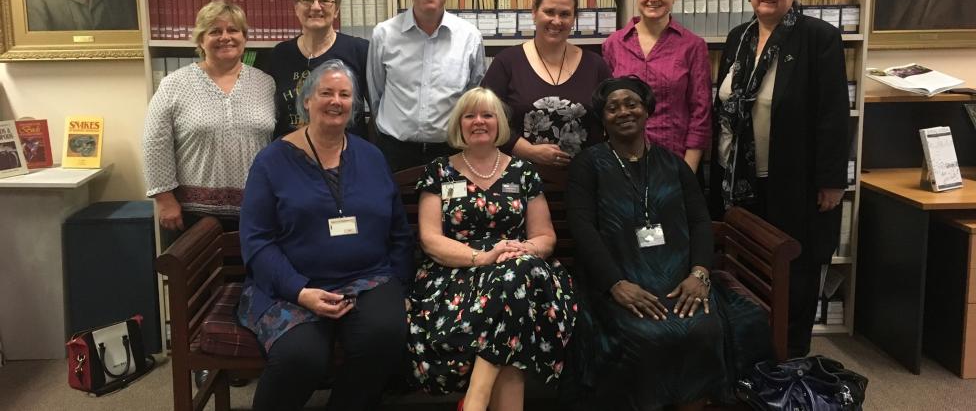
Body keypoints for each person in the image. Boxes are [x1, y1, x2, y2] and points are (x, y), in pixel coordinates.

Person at [564, 76, 772, 411]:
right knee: (647, 335)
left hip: (677, 278)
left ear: (647, 110)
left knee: (704, 327)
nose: (623, 112)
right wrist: (616, 284)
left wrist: (700, 274)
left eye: (631, 103)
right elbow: (582, 228)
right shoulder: (588, 166)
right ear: (602, 118)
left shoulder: (673, 164)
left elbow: (700, 222)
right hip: (617, 280)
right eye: (612, 107)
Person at [237, 60, 415, 411]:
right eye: (326, 93)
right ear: (306, 100)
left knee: (384, 336)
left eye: (345, 94)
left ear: (354, 104)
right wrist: (299, 291)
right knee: (300, 357)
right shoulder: (271, 162)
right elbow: (257, 240)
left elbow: (399, 231)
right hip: (295, 285)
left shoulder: (371, 156)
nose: (336, 101)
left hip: (368, 279)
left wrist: (401, 286)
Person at [711, 0, 849, 358]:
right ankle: (749, 358)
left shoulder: (818, 38)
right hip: (738, 179)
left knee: (794, 274)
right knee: (746, 270)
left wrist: (831, 180)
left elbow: (833, 114)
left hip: (793, 181)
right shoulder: (739, 37)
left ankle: (788, 361)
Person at [406, 87, 575, 411]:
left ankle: (475, 401)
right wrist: (483, 257)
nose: (479, 121)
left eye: (487, 115)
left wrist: (518, 250)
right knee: (515, 305)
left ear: (499, 123)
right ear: (459, 124)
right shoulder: (439, 171)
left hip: (521, 265)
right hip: (456, 273)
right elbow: (430, 239)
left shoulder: (523, 171)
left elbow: (544, 236)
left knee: (517, 276)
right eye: (470, 115)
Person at [143, 0, 275, 242]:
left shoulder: (266, 83)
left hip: (257, 212)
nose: (225, 37)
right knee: (198, 280)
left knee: (254, 278)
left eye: (233, 30)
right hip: (191, 216)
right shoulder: (174, 85)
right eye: (215, 31)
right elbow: (154, 143)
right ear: (201, 40)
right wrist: (165, 199)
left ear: (244, 38)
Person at [367, 0, 486, 172]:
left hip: (450, 152)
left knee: (449, 208)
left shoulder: (470, 37)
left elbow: (473, 96)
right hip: (394, 152)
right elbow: (376, 94)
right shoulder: (383, 34)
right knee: (395, 207)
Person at [481, 0, 611, 167]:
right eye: (549, 12)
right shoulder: (507, 62)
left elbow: (610, 120)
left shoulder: (595, 65)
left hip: (582, 181)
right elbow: (484, 117)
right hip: (518, 179)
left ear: (574, 19)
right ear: (534, 13)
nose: (556, 21)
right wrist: (528, 151)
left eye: (565, 14)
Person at [601, 0, 711, 172]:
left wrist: (688, 171)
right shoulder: (613, 44)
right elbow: (606, 108)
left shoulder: (693, 46)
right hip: (622, 162)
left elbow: (701, 113)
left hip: (675, 160)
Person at [270, 0, 369, 138]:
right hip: (290, 156)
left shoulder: (359, 50)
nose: (315, 7)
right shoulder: (279, 55)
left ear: (336, 9)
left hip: (346, 155)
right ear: (296, 7)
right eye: (307, 0)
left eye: (324, 1)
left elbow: (377, 109)